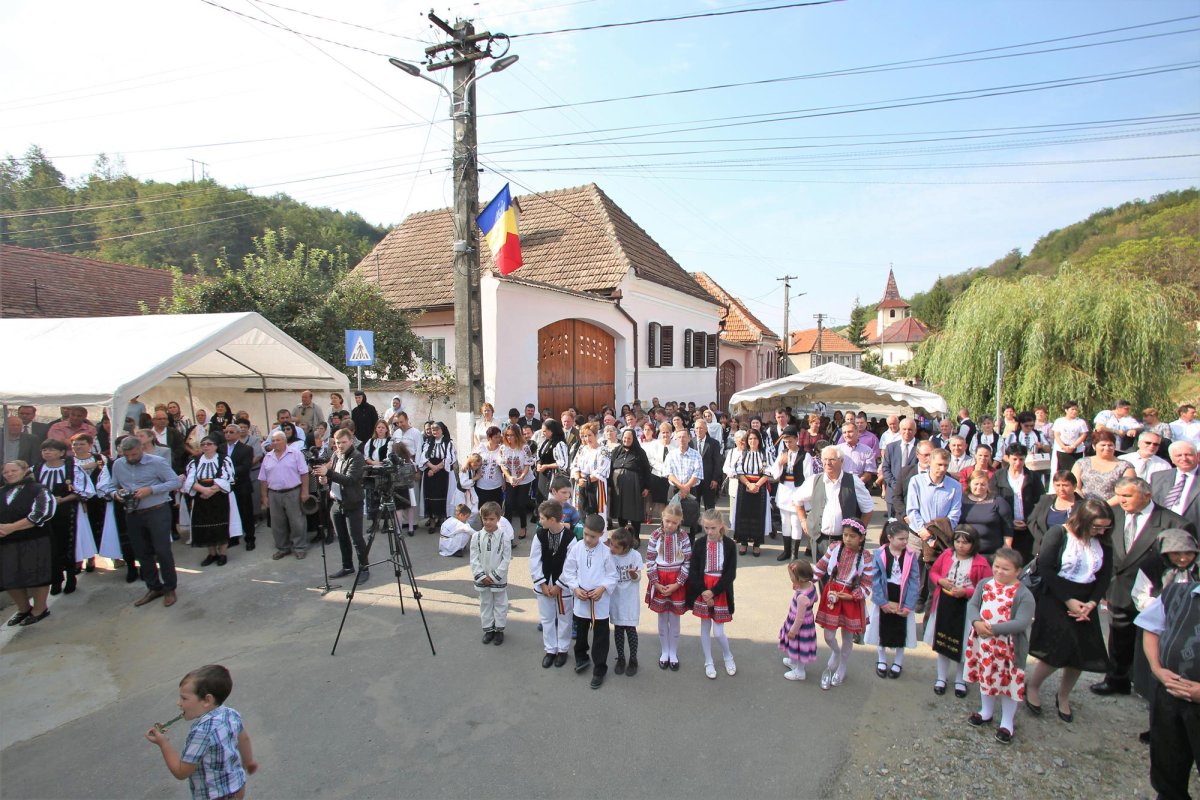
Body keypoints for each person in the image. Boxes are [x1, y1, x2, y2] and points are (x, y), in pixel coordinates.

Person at [1090, 476, 1193, 697]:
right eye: (1119, 496)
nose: (1122, 500)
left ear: (1147, 495)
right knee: (1119, 638)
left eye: (1127, 495)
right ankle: (1117, 679)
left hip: (1157, 595)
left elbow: (1187, 560)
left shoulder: (1174, 523)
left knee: (1157, 642)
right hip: (1119, 589)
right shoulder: (1113, 517)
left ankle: (1154, 686)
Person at [1026, 498, 1115, 723]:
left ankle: (1064, 695)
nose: (1101, 531)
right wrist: (1068, 600)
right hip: (1058, 597)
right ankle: (1033, 686)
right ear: (1084, 520)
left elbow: (1104, 575)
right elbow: (1046, 567)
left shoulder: (1103, 542)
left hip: (1087, 601)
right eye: (1096, 526)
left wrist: (1092, 603)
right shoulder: (1059, 534)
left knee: (1079, 653)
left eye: (1105, 527)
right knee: (1056, 649)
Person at [144, 664, 257, 800]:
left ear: (207, 700)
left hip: (214, 796)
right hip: (238, 786)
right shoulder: (230, 714)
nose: (178, 703)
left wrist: (164, 744)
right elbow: (243, 739)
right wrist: (249, 761)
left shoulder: (201, 732)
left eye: (184, 698)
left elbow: (181, 772)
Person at [1136, 573, 1200, 799]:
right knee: (1168, 772)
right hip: (1168, 696)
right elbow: (1151, 627)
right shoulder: (1176, 593)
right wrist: (1156, 668)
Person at [963, 548, 1036, 745]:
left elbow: (1022, 622)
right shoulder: (985, 584)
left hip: (1008, 647)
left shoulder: (1024, 594)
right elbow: (972, 605)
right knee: (985, 675)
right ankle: (986, 711)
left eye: (1006, 569)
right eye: (996, 567)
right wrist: (976, 622)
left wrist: (994, 629)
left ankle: (1006, 722)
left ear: (1018, 571)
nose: (999, 572)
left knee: (1007, 683)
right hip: (984, 643)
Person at [111, 437, 183, 608]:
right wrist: (116, 494)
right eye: (126, 455)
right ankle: (153, 587)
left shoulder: (157, 462)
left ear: (141, 449)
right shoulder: (118, 464)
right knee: (142, 551)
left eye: (134, 454)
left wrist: (150, 490)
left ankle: (169, 587)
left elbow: (174, 481)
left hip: (157, 510)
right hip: (133, 513)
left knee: (162, 550)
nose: (130, 458)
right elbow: (111, 486)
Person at [925, 527, 991, 698]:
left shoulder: (980, 563)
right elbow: (934, 572)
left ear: (973, 544)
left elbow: (986, 587)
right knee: (942, 641)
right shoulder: (947, 555)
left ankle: (961, 679)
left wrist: (967, 592)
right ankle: (941, 677)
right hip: (945, 603)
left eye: (965, 542)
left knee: (963, 644)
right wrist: (941, 581)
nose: (960, 545)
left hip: (966, 607)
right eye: (958, 541)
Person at [813, 519, 875, 690]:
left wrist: (850, 596)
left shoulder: (867, 557)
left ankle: (842, 666)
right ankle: (835, 651)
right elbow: (821, 566)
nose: (848, 539)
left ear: (861, 538)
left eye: (852, 536)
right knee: (829, 636)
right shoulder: (834, 548)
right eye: (845, 535)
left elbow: (867, 585)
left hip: (850, 599)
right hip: (832, 594)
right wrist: (807, 581)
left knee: (847, 636)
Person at [34, 439, 96, 595]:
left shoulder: (72, 469)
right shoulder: (36, 469)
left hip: (68, 511)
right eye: (44, 450)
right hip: (46, 512)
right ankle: (56, 580)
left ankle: (70, 577)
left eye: (51, 449)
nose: (47, 452)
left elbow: (84, 490)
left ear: (61, 452)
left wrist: (63, 500)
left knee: (68, 544)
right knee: (50, 546)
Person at [563, 514, 618, 689]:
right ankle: (581, 656)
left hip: (599, 601)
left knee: (601, 635)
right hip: (581, 598)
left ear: (601, 534)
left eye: (593, 536)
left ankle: (599, 668)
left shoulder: (606, 552)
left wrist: (602, 588)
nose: (588, 539)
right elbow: (569, 571)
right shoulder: (577, 548)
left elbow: (612, 575)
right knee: (580, 631)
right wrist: (575, 588)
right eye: (586, 534)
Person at [0, 460, 57, 627]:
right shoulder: (1, 491)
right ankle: (23, 608)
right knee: (8, 576)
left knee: (37, 574)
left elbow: (42, 513)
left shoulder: (38, 489)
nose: (9, 474)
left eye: (13, 470)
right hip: (6, 541)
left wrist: (12, 527)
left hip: (35, 540)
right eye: (5, 472)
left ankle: (40, 609)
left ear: (25, 470)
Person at [796, 446, 874, 563]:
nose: (827, 463)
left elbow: (868, 509)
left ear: (841, 461)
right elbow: (797, 500)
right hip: (820, 540)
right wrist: (803, 521)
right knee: (822, 577)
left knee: (843, 577)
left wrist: (858, 532)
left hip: (845, 541)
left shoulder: (853, 481)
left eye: (832, 459)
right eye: (825, 459)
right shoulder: (814, 480)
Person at [686, 509, 738, 680]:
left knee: (718, 631)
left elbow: (730, 574)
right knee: (705, 627)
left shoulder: (729, 544)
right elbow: (693, 571)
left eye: (713, 528)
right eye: (706, 528)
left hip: (720, 589)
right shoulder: (700, 544)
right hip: (703, 588)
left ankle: (727, 655)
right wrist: (703, 591)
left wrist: (713, 592)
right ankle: (708, 660)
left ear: (721, 526)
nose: (709, 532)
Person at [865, 520, 920, 679]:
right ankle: (881, 660)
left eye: (906, 539)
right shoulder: (879, 554)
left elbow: (914, 580)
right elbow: (874, 579)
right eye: (901, 539)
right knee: (882, 629)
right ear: (890, 537)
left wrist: (909, 605)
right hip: (885, 593)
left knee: (900, 630)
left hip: (902, 595)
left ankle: (898, 662)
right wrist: (881, 602)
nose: (905, 542)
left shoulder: (910, 556)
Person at [314, 429, 370, 582]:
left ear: (351, 441)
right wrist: (325, 479)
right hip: (337, 502)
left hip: (353, 503)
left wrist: (328, 473)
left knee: (356, 538)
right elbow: (333, 473)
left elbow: (350, 480)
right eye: (338, 443)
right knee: (342, 537)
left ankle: (364, 568)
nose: (340, 445)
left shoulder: (358, 458)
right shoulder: (336, 455)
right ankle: (347, 566)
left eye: (344, 442)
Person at [645, 503, 691, 671]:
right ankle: (664, 651)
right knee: (662, 617)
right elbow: (649, 559)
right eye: (667, 521)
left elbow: (688, 561)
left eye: (674, 522)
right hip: (660, 579)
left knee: (675, 618)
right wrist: (655, 582)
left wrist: (678, 583)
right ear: (662, 519)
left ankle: (673, 652)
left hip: (676, 581)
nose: (670, 525)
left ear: (680, 522)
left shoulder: (684, 537)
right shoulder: (655, 535)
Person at [182, 434, 240, 568]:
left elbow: (227, 477)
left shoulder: (224, 459)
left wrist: (211, 491)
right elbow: (190, 480)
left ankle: (223, 553)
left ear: (215, 446)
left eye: (209, 444)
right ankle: (212, 553)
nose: (206, 446)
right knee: (206, 526)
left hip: (220, 496)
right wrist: (203, 490)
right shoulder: (195, 461)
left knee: (222, 524)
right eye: (203, 444)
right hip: (201, 497)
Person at [530, 500, 575, 667]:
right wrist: (542, 584)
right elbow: (534, 560)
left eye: (542, 518)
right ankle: (550, 649)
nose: (540, 521)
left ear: (553, 520)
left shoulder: (570, 538)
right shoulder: (540, 535)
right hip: (544, 584)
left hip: (562, 586)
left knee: (564, 617)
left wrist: (559, 585)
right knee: (547, 618)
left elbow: (571, 565)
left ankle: (563, 649)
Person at [259, 431, 311, 562]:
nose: (275, 443)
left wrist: (305, 492)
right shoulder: (268, 457)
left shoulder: (295, 454)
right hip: (274, 494)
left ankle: (299, 547)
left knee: (297, 521)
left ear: (284, 441)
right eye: (273, 441)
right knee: (277, 523)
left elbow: (304, 473)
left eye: (278, 440)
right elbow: (263, 479)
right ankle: (283, 548)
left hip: (293, 492)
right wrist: (264, 496)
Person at [991, 444, 1044, 565]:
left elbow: (1040, 501)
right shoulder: (998, 476)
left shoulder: (1032, 477)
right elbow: (994, 501)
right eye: (1015, 459)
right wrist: (1010, 521)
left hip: (1028, 527)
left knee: (1026, 562)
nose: (1018, 462)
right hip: (1005, 528)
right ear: (1008, 458)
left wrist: (1029, 520)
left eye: (1021, 459)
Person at [471, 502, 513, 646]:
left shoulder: (504, 537)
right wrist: (481, 576)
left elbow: (506, 559)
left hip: (498, 578)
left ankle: (499, 630)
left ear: (498, 519)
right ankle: (488, 630)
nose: (488, 522)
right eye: (485, 518)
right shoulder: (476, 537)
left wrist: (495, 576)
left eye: (491, 519)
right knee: (485, 603)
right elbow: (474, 558)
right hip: (483, 579)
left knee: (500, 604)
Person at [607, 526, 643, 677]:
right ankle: (621, 658)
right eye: (611, 544)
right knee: (618, 629)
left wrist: (634, 575)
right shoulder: (610, 555)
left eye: (616, 546)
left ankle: (633, 659)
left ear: (626, 547)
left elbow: (638, 578)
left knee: (630, 629)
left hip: (629, 599)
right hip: (615, 598)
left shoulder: (635, 556)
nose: (612, 548)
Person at [770, 426, 806, 562]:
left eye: (790, 441)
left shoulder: (804, 455)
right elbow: (775, 474)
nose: (788, 444)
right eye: (786, 442)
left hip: (798, 491)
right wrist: (780, 462)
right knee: (785, 522)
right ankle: (786, 550)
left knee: (796, 522)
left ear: (796, 439)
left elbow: (808, 476)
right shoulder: (783, 453)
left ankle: (794, 553)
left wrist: (803, 494)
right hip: (785, 490)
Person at [733, 428, 771, 557]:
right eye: (750, 439)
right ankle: (743, 542)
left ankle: (756, 544)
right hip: (744, 487)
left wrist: (757, 485)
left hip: (759, 488)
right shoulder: (742, 454)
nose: (752, 441)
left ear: (759, 440)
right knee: (743, 514)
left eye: (755, 438)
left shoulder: (764, 454)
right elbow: (739, 471)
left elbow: (767, 472)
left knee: (758, 515)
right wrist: (749, 484)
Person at [1027, 470, 1083, 557]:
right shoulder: (1045, 500)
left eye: (1065, 485)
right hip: (1043, 549)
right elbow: (1032, 521)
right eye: (1057, 485)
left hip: (1072, 551)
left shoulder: (1083, 506)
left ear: (1075, 486)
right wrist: (1045, 541)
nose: (1061, 489)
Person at [779, 558, 818, 682]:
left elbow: (799, 618)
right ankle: (793, 661)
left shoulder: (802, 597)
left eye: (791, 576)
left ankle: (800, 671)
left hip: (799, 626)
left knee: (800, 647)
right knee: (796, 645)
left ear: (800, 579)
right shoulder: (811, 586)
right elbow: (816, 599)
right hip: (808, 622)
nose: (790, 578)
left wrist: (793, 631)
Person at [961, 470, 1012, 558]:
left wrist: (1007, 546)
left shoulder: (997, 501)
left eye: (983, 484)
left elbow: (1007, 525)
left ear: (988, 485)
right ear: (969, 483)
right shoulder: (960, 500)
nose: (979, 487)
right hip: (965, 553)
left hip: (992, 554)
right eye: (976, 484)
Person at [1074, 430, 1134, 504]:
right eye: (1103, 445)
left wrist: (1103, 506)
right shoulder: (1081, 463)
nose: (1107, 448)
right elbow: (1075, 487)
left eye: (1110, 445)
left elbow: (1126, 491)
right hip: (1084, 507)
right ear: (1094, 446)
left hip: (1112, 509)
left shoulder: (1125, 466)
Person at [609, 428, 650, 536]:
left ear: (633, 439)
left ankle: (635, 537)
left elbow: (646, 470)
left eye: (629, 438)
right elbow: (610, 468)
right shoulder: (616, 451)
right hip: (617, 486)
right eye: (625, 438)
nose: (626, 440)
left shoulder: (640, 452)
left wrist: (646, 487)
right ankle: (622, 535)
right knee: (620, 510)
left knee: (634, 512)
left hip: (634, 487)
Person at [1152, 440, 1200, 532]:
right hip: (1163, 530)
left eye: (1188, 454)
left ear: (1197, 456)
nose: (1184, 458)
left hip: (1195, 533)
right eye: (1179, 455)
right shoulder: (1158, 477)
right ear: (1172, 459)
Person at [420, 422, 456, 532]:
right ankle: (432, 521)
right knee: (430, 496)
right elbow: (423, 457)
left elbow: (449, 458)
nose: (434, 432)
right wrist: (431, 467)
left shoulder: (448, 443)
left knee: (444, 496)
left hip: (443, 472)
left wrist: (435, 469)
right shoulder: (428, 442)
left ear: (442, 430)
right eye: (433, 430)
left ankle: (444, 521)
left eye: (437, 429)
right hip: (430, 473)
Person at [881, 419, 919, 519]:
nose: (907, 432)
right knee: (893, 526)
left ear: (915, 431)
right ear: (900, 430)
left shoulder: (921, 448)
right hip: (893, 494)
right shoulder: (891, 447)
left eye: (910, 429)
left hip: (914, 494)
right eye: (904, 429)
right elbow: (885, 468)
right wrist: (895, 485)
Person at [1051, 400, 1089, 475]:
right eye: (1072, 409)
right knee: (1062, 472)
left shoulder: (1081, 422)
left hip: (1076, 450)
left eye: (1076, 410)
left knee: (1076, 471)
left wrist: (1073, 446)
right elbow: (1056, 434)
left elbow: (1083, 435)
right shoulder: (1059, 421)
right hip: (1062, 451)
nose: (1074, 411)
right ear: (1066, 410)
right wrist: (1063, 446)